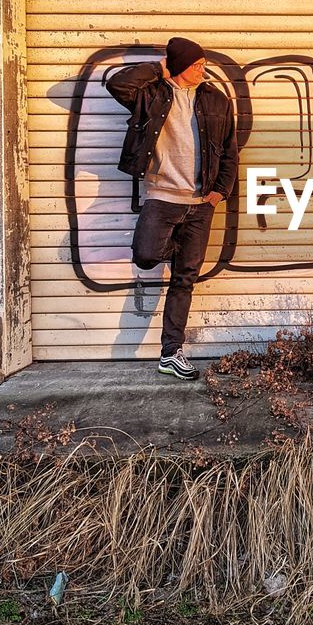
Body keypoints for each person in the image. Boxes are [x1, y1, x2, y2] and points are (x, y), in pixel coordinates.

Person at [104, 37, 239, 380]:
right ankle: (174, 246)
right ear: (179, 66)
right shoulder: (151, 94)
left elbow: (228, 150)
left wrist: (220, 191)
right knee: (146, 255)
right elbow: (116, 85)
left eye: (202, 64)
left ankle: (170, 353)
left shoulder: (214, 99)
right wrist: (158, 69)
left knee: (184, 279)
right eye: (195, 65)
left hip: (199, 204)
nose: (202, 70)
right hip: (161, 198)